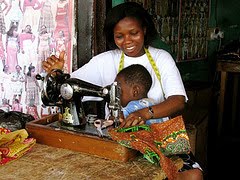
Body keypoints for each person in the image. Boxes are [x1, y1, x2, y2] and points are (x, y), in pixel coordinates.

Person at [42, 2, 203, 180]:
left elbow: (178, 100)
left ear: (144, 30)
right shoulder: (104, 61)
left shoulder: (161, 58)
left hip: (159, 140)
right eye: (119, 36)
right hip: (118, 141)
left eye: (134, 33)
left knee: (194, 175)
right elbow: (69, 88)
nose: (127, 41)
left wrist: (145, 113)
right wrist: (57, 73)